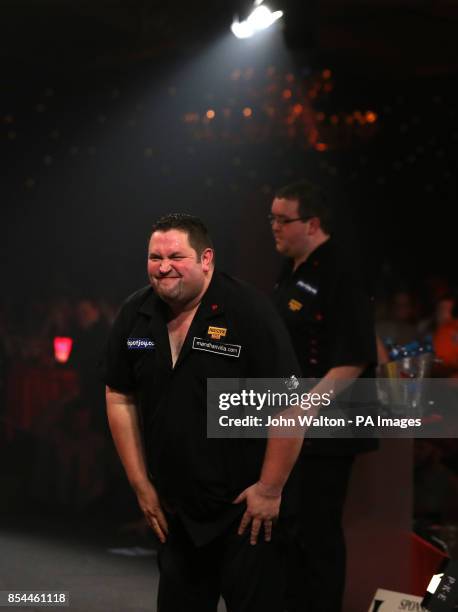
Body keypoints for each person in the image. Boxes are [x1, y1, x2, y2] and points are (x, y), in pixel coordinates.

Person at [101, 213, 304, 612]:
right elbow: (118, 395)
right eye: (154, 257)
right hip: (177, 512)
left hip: (246, 512)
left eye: (176, 256)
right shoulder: (135, 313)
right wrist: (141, 485)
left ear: (206, 259)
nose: (163, 267)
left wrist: (269, 488)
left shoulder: (248, 312)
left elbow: (291, 404)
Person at [269, 180, 377, 612]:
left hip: (325, 427)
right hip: (291, 422)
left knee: (317, 535)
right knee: (291, 531)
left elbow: (355, 357)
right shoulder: (292, 268)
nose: (273, 226)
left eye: (282, 219)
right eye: (271, 217)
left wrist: (304, 408)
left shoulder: (342, 269)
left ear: (311, 223)